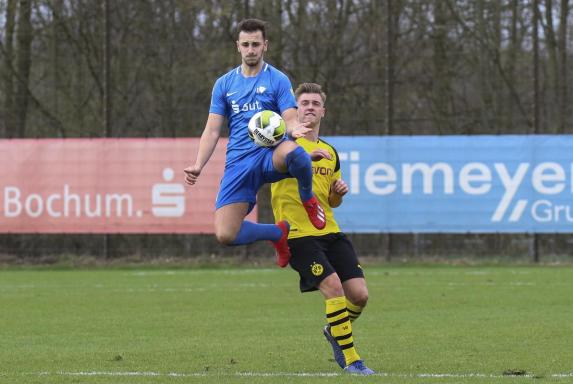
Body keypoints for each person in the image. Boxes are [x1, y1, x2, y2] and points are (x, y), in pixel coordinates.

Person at [183, 19, 329, 266]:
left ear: (265, 46)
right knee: (226, 234)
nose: (251, 50)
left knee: (296, 154)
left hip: (270, 153)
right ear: (237, 46)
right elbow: (212, 129)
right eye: (246, 44)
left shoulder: (278, 80)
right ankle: (277, 233)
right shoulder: (224, 84)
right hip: (239, 162)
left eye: (256, 44)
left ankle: (308, 199)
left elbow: (290, 118)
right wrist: (198, 164)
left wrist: (295, 129)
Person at [270, 83, 375, 375]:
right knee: (333, 288)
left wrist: (338, 192)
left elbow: (331, 200)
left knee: (360, 295)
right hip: (297, 236)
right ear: (295, 109)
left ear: (323, 111)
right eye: (304, 103)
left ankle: (333, 331)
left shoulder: (329, 150)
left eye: (315, 103)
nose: (310, 107)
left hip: (329, 231)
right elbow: (272, 167)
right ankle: (352, 359)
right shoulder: (283, 145)